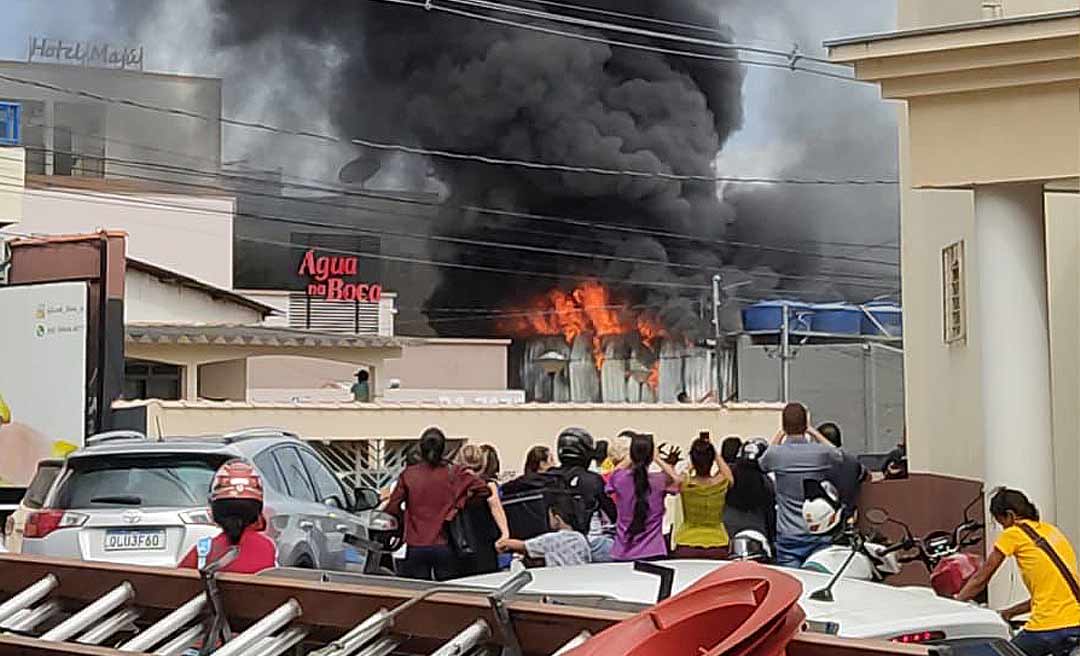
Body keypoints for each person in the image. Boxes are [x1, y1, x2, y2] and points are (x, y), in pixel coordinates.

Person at [957, 488, 1080, 656]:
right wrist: (1010, 612)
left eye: (1001, 523)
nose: (1003, 529)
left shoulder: (1013, 534)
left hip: (1047, 629)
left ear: (1010, 515)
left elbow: (981, 578)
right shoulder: (1052, 531)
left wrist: (955, 604)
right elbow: (1050, 595)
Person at [384, 427, 490, 581]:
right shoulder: (454, 473)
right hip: (445, 543)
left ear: (421, 449)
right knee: (447, 591)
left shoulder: (409, 475)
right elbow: (484, 490)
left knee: (418, 591)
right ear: (443, 450)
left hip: (416, 544)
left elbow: (392, 508)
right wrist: (458, 505)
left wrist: (403, 521)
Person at [759, 403, 843, 568]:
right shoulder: (819, 453)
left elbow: (763, 463)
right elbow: (838, 455)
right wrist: (814, 432)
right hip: (819, 529)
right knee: (819, 577)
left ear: (784, 425)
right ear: (805, 424)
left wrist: (781, 434)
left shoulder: (776, 454)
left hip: (789, 532)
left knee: (791, 579)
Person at [179, 460, 277, 574]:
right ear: (257, 510)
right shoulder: (268, 548)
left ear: (216, 511)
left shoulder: (203, 551)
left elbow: (176, 581)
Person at [607, 431, 680, 562]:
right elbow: (677, 480)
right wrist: (658, 459)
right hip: (653, 550)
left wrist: (632, 456)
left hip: (622, 551)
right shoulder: (659, 480)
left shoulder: (620, 479)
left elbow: (612, 474)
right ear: (651, 456)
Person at [673, 434, 734, 559]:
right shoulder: (721, 483)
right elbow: (728, 474)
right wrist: (715, 454)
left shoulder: (686, 484)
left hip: (687, 541)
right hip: (718, 542)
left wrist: (690, 465)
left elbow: (679, 477)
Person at [455, 444, 511, 576]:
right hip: (484, 541)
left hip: (458, 543)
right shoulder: (487, 485)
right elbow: (495, 506)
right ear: (482, 463)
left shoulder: (452, 484)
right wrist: (505, 534)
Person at [496, 494, 592, 568]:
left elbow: (523, 545)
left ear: (557, 519)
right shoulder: (581, 538)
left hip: (558, 577)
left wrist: (503, 543)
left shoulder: (551, 539)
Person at [724, 440, 777, 549]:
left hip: (729, 533)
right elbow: (771, 513)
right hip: (759, 532)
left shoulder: (728, 478)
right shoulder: (766, 482)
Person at [817, 422, 869, 517]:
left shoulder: (819, 463)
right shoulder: (852, 461)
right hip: (850, 513)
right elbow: (868, 477)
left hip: (825, 514)